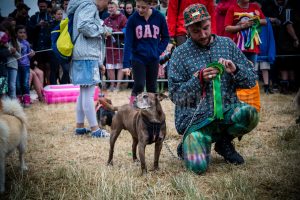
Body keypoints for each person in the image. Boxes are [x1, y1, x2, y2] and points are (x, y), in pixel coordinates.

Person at [168, 4, 259, 174]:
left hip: (226, 113)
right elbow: (175, 95)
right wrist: (197, 80)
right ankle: (190, 143)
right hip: (196, 122)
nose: (202, 34)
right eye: (196, 31)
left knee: (250, 114)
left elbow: (251, 81)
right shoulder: (179, 54)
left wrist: (236, 70)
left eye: (205, 28)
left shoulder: (227, 45)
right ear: (187, 30)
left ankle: (224, 143)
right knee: (198, 168)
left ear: (210, 23)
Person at [67, 0, 112, 138]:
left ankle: (80, 127)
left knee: (83, 92)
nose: (107, 5)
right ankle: (95, 130)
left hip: (82, 54)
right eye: (108, 1)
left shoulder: (82, 5)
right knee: (88, 94)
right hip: (87, 55)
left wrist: (99, 63)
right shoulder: (89, 6)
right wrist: (103, 30)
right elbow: (84, 26)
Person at [122, 0, 169, 104]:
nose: (140, 10)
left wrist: (157, 51)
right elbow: (128, 42)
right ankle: (132, 109)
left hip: (153, 58)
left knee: (152, 87)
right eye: (137, 6)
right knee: (139, 84)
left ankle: (152, 112)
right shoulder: (132, 19)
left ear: (151, 4)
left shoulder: (159, 17)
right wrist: (125, 64)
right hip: (138, 58)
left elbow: (166, 37)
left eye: (143, 7)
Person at [224, 0, 266, 65]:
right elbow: (227, 28)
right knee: (238, 71)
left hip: (252, 47)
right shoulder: (232, 8)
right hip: (237, 47)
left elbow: (264, 21)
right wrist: (241, 26)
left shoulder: (255, 6)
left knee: (251, 71)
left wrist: (252, 21)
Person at [104, 0, 127, 92]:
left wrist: (114, 30)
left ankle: (118, 86)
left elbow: (126, 28)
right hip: (109, 45)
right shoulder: (107, 19)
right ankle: (112, 85)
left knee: (120, 65)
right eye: (109, 8)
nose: (110, 9)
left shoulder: (123, 17)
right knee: (110, 66)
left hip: (119, 45)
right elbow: (103, 28)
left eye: (112, 7)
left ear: (116, 7)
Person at [16, 25, 35, 107]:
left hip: (26, 66)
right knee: (18, 84)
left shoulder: (26, 43)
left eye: (24, 32)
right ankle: (19, 100)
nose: (22, 34)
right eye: (20, 32)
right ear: (16, 33)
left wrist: (32, 54)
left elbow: (29, 55)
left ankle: (27, 100)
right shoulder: (14, 43)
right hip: (16, 66)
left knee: (25, 83)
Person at [2, 19, 21, 99]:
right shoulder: (2, 39)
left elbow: (19, 56)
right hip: (3, 66)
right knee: (4, 87)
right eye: (12, 26)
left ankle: (14, 103)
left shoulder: (15, 40)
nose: (14, 27)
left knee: (12, 86)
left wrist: (14, 51)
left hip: (13, 66)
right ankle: (5, 105)